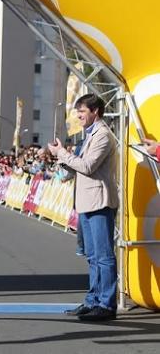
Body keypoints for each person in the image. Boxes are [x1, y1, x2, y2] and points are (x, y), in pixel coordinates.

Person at [47, 93, 118, 321]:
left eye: (83, 111)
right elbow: (73, 169)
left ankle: (106, 304)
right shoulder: (87, 136)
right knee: (92, 256)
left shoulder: (103, 135)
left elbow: (87, 166)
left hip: (100, 201)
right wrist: (60, 156)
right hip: (86, 202)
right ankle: (93, 300)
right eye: (78, 111)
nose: (78, 116)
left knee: (104, 255)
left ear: (95, 111)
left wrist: (63, 154)